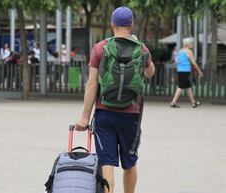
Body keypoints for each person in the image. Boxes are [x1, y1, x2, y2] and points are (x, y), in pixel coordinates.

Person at [75, 7, 155, 193]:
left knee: (107, 165)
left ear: (112, 25)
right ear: (131, 25)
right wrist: (145, 58)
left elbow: (92, 85)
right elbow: (150, 73)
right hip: (131, 116)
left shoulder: (100, 48)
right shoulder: (141, 48)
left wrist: (84, 117)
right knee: (130, 164)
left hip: (105, 114)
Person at [170, 37, 203, 108]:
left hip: (180, 70)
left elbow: (177, 61)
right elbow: (193, 62)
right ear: (187, 44)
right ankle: (173, 102)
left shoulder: (180, 51)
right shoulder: (189, 51)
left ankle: (193, 103)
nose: (192, 44)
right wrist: (199, 71)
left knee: (188, 87)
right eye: (192, 43)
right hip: (185, 71)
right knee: (180, 87)